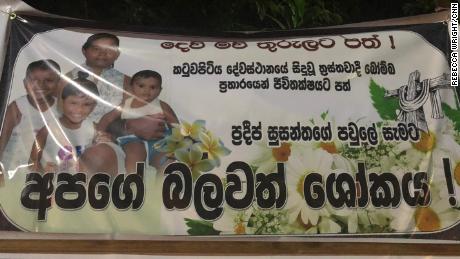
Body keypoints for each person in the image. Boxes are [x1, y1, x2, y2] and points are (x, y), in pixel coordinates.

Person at [60, 33, 168, 175]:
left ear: (117, 54)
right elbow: (57, 115)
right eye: (96, 49)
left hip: (110, 140)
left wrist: (116, 132)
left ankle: (130, 190)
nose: (102, 54)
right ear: (84, 50)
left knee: (102, 153)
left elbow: (131, 115)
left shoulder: (128, 82)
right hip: (72, 138)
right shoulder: (65, 79)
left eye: (109, 50)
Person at [98, 70, 178, 173]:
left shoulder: (162, 105)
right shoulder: (125, 105)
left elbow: (175, 124)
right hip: (132, 140)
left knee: (167, 161)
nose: (147, 90)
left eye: (153, 87)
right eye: (141, 86)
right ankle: (133, 183)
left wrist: (181, 139)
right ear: (131, 87)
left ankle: (161, 186)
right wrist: (100, 133)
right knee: (134, 155)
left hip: (159, 140)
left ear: (160, 90)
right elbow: (107, 118)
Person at [29, 72, 108, 173]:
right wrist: (42, 172)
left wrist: (106, 141)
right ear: (63, 102)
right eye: (73, 103)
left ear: (94, 106)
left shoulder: (93, 129)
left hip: (79, 184)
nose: (79, 110)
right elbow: (32, 163)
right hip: (50, 185)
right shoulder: (48, 130)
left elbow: (97, 159)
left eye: (87, 104)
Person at [0, 59, 61, 173]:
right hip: (13, 166)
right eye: (34, 80)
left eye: (48, 80)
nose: (41, 85)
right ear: (24, 83)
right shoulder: (17, 107)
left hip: (46, 167)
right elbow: (3, 137)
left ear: (58, 83)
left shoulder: (62, 108)